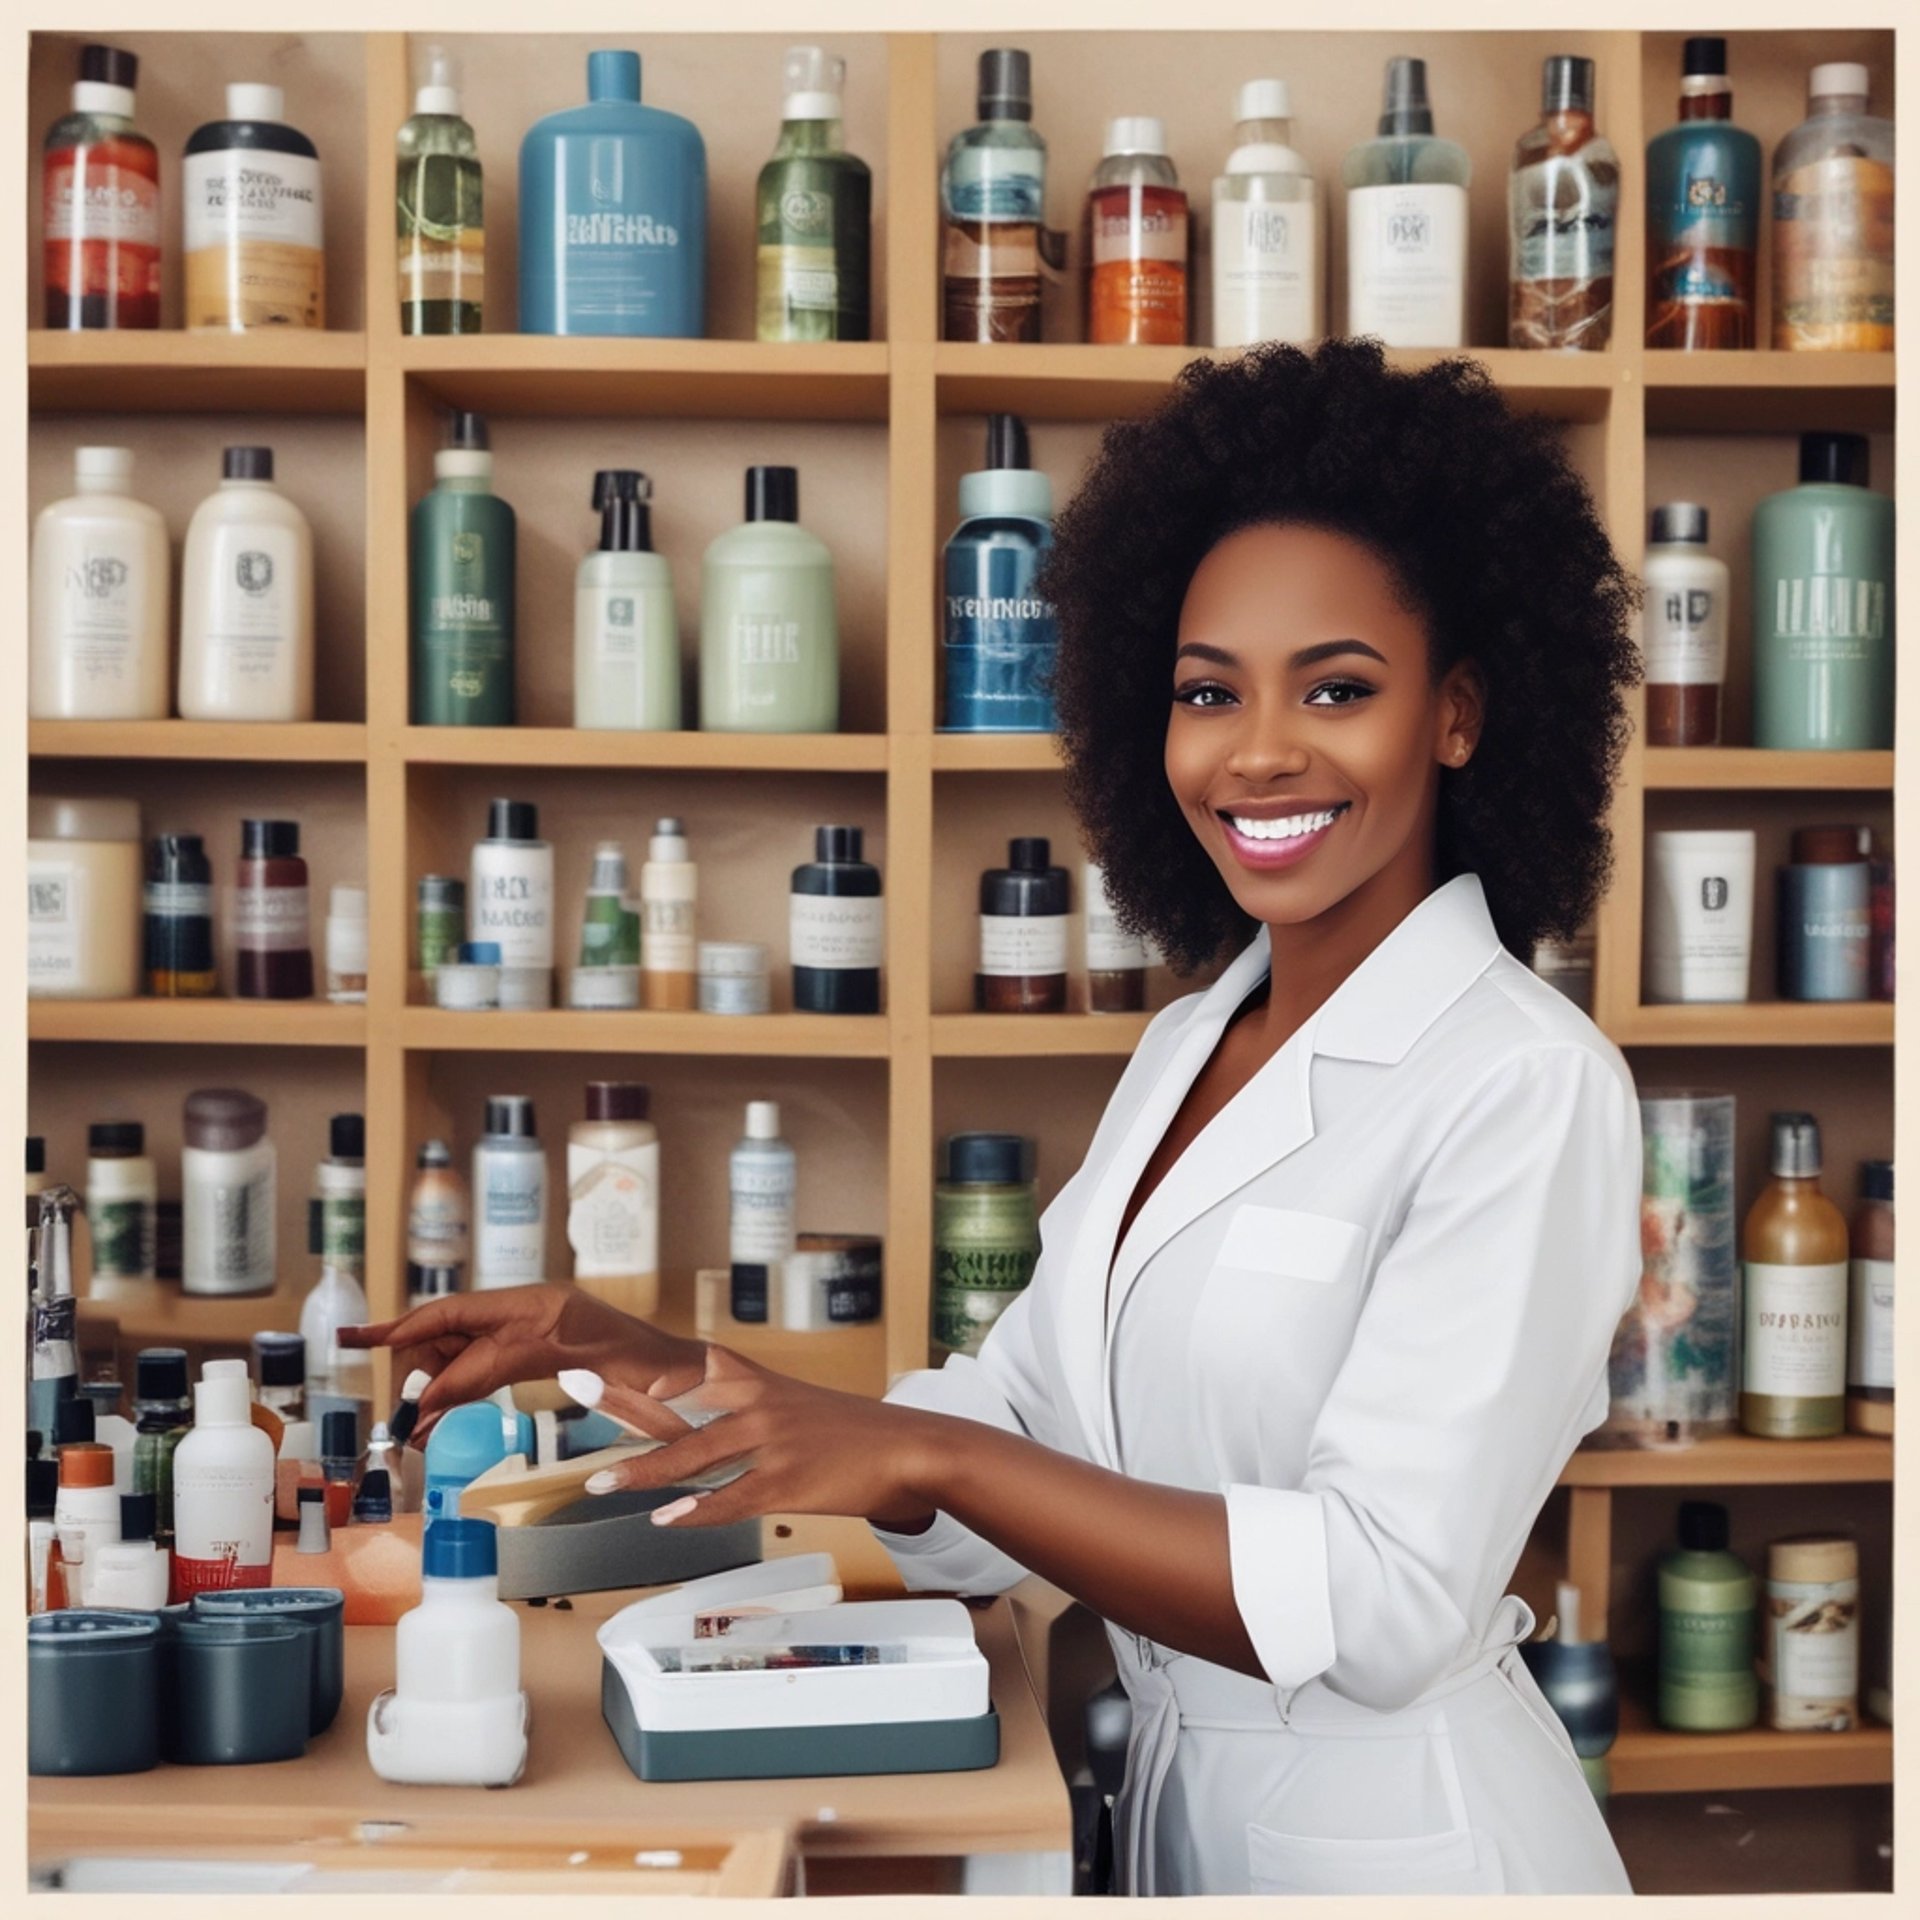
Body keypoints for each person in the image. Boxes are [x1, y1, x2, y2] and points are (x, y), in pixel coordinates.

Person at [345, 338, 1645, 1897]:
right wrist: (651, 1361)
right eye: (1207, 691)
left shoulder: (1524, 1081)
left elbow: (1380, 1600)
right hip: (1174, 1811)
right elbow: (1014, 1431)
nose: (1261, 751)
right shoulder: (1187, 1045)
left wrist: (934, 1460)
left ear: (1459, 714)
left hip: (1410, 1849)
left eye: (1340, 688)